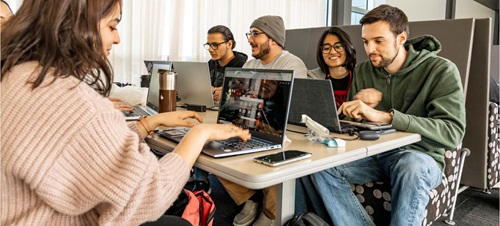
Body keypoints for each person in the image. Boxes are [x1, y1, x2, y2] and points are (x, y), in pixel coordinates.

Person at [0, 0, 251, 225]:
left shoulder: (18, 77)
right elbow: (152, 195)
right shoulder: (74, 101)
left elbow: (86, 146)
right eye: (111, 26)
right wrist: (200, 133)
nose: (117, 38)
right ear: (75, 26)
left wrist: (149, 123)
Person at [310, 4, 466, 226]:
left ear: (401, 38)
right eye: (365, 41)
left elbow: (452, 133)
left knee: (411, 166)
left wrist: (387, 116)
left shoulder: (440, 70)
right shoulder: (364, 71)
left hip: (420, 156)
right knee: (318, 165)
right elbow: (355, 125)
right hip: (374, 154)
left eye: (378, 41)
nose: (370, 49)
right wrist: (355, 114)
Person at [216, 15, 308, 226]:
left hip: (280, 131)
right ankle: (248, 198)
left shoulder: (292, 64)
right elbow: (239, 97)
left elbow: (292, 111)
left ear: (273, 39)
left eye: (255, 34)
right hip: (249, 124)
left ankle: (270, 213)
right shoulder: (251, 63)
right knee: (212, 150)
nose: (249, 39)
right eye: (250, 34)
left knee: (275, 156)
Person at [308, 26, 357, 108]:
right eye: (327, 48)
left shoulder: (361, 75)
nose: (332, 52)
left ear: (347, 48)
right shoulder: (312, 78)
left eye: (338, 46)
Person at [205, 25, 248, 104]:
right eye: (209, 45)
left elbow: (246, 94)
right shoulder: (211, 64)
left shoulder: (244, 66)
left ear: (229, 44)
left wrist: (228, 93)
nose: (210, 49)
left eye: (215, 45)